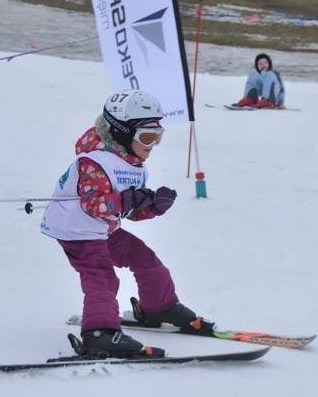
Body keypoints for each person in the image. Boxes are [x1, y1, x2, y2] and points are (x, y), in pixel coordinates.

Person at [40, 90, 212, 357]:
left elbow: (126, 213)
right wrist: (127, 199)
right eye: (146, 136)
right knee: (101, 275)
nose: (153, 144)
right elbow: (93, 205)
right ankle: (99, 332)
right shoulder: (94, 162)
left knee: (145, 258)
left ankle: (159, 306)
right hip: (77, 230)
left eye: (158, 136)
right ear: (121, 132)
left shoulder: (133, 164)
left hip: (103, 229)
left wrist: (152, 206)